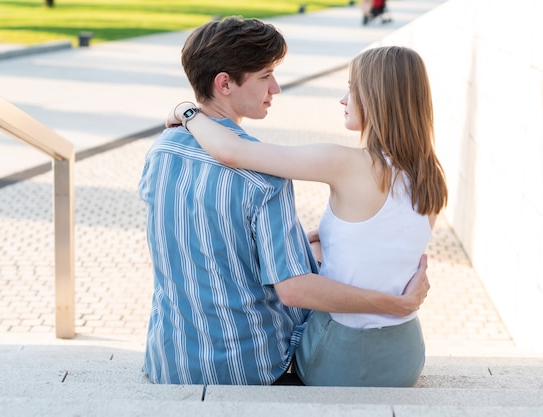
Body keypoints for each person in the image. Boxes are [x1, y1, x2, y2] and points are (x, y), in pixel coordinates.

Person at [139, 16, 430, 386]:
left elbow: (211, 241)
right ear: (224, 83)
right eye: (265, 76)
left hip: (170, 356)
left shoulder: (159, 153)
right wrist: (397, 303)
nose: (276, 87)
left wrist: (185, 110)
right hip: (250, 364)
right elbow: (293, 289)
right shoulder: (265, 175)